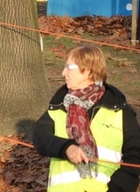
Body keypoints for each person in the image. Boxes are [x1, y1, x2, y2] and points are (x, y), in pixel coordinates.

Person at [33, 44, 140, 192]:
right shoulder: (58, 106)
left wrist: (117, 188)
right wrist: (66, 147)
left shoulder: (119, 110)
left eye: (69, 68)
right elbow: (40, 138)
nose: (63, 73)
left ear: (87, 71)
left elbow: (135, 156)